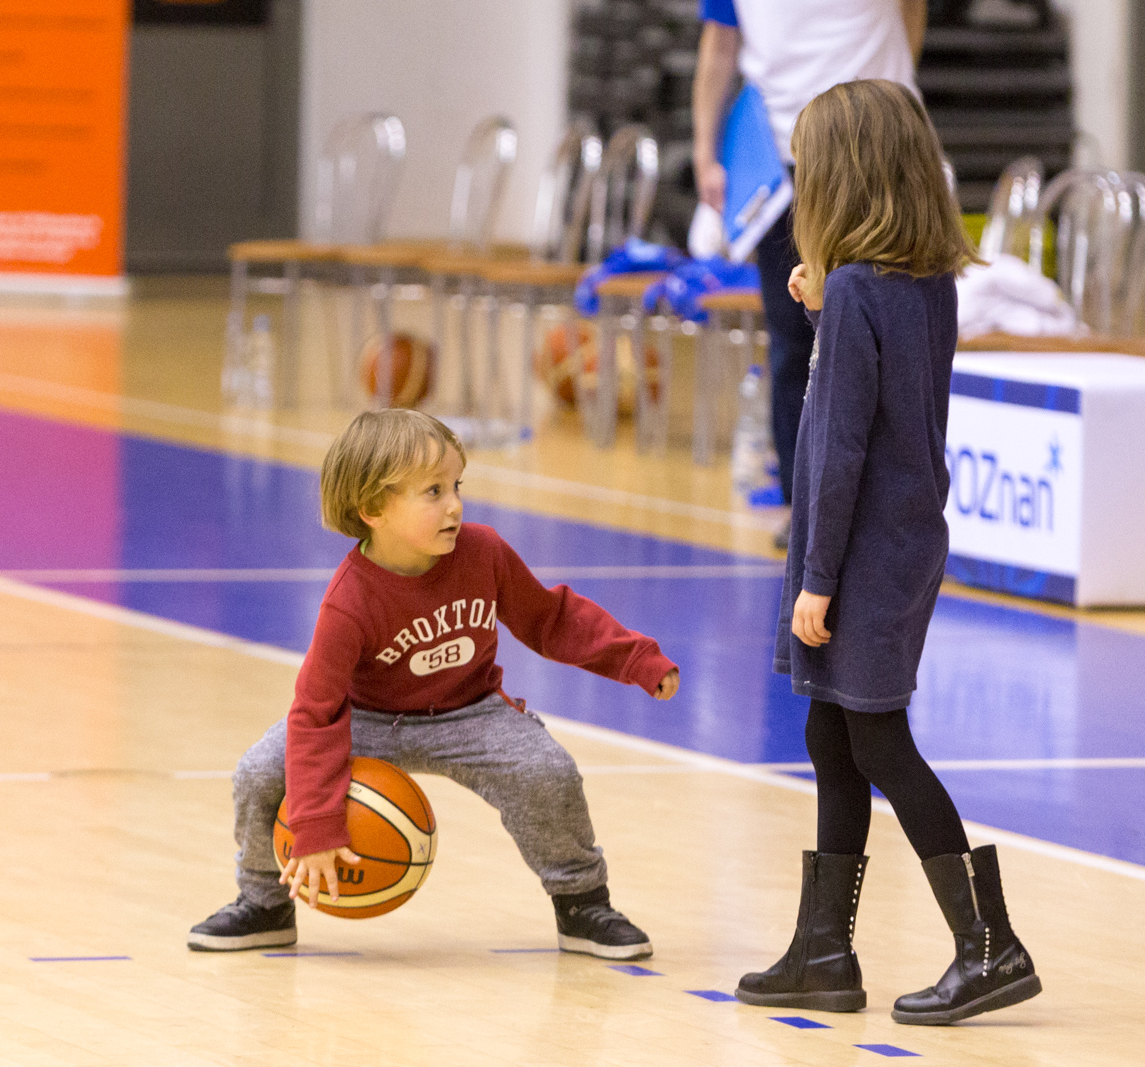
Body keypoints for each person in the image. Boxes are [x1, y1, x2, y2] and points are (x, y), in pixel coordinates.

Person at [734, 80, 1041, 1025]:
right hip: (905, 540)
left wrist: (816, 578)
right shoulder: (914, 283)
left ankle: (991, 946)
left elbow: (842, 451)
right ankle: (825, 950)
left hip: (857, 550)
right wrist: (827, 308)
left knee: (875, 738)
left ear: (841, 177)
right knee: (833, 735)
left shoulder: (863, 291)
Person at [189, 410, 680, 959]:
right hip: (365, 719)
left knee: (547, 772)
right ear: (373, 509)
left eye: (455, 486)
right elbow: (316, 712)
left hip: (469, 712)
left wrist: (636, 659)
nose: (454, 504)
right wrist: (316, 826)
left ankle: (582, 902)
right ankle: (264, 903)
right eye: (432, 492)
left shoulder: (484, 552)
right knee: (259, 773)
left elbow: (550, 619)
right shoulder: (348, 602)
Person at [692, 0, 926, 550]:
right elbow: (719, 45)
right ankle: (806, 512)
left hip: (881, 153)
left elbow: (912, 11)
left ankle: (892, 510)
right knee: (797, 341)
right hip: (783, 155)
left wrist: (894, 100)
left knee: (892, 331)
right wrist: (706, 151)